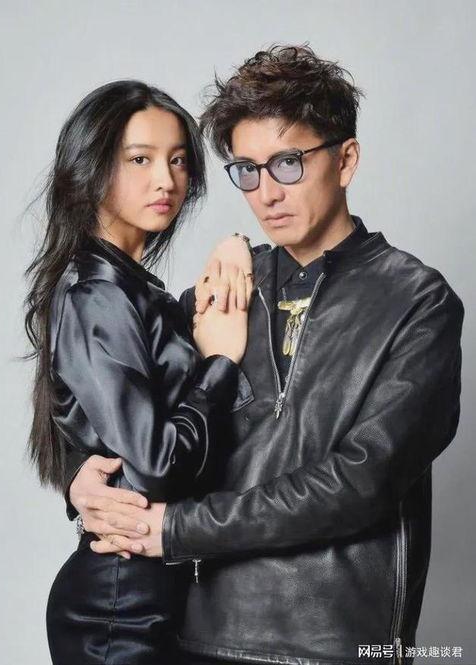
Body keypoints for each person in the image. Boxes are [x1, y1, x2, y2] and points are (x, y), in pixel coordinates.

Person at [65, 46, 464, 665]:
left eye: (287, 163)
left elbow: (361, 481)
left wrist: (175, 529)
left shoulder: (418, 301)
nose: (267, 193)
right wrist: (82, 481)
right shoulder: (221, 290)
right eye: (247, 170)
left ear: (346, 159)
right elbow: (144, 423)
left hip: (336, 643)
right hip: (196, 634)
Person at [24, 79, 255, 665]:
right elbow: (155, 464)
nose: (167, 180)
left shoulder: (132, 288)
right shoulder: (97, 292)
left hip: (163, 591)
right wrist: (219, 365)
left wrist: (235, 244)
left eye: (178, 160)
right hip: (119, 608)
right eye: (140, 159)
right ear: (92, 168)